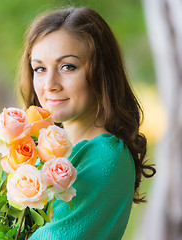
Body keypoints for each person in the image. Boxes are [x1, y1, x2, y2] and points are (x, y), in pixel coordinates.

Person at [18, 7, 156, 239]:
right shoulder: (44, 150)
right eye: (40, 68)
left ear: (101, 73)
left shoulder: (106, 156)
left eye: (67, 67)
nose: (50, 84)